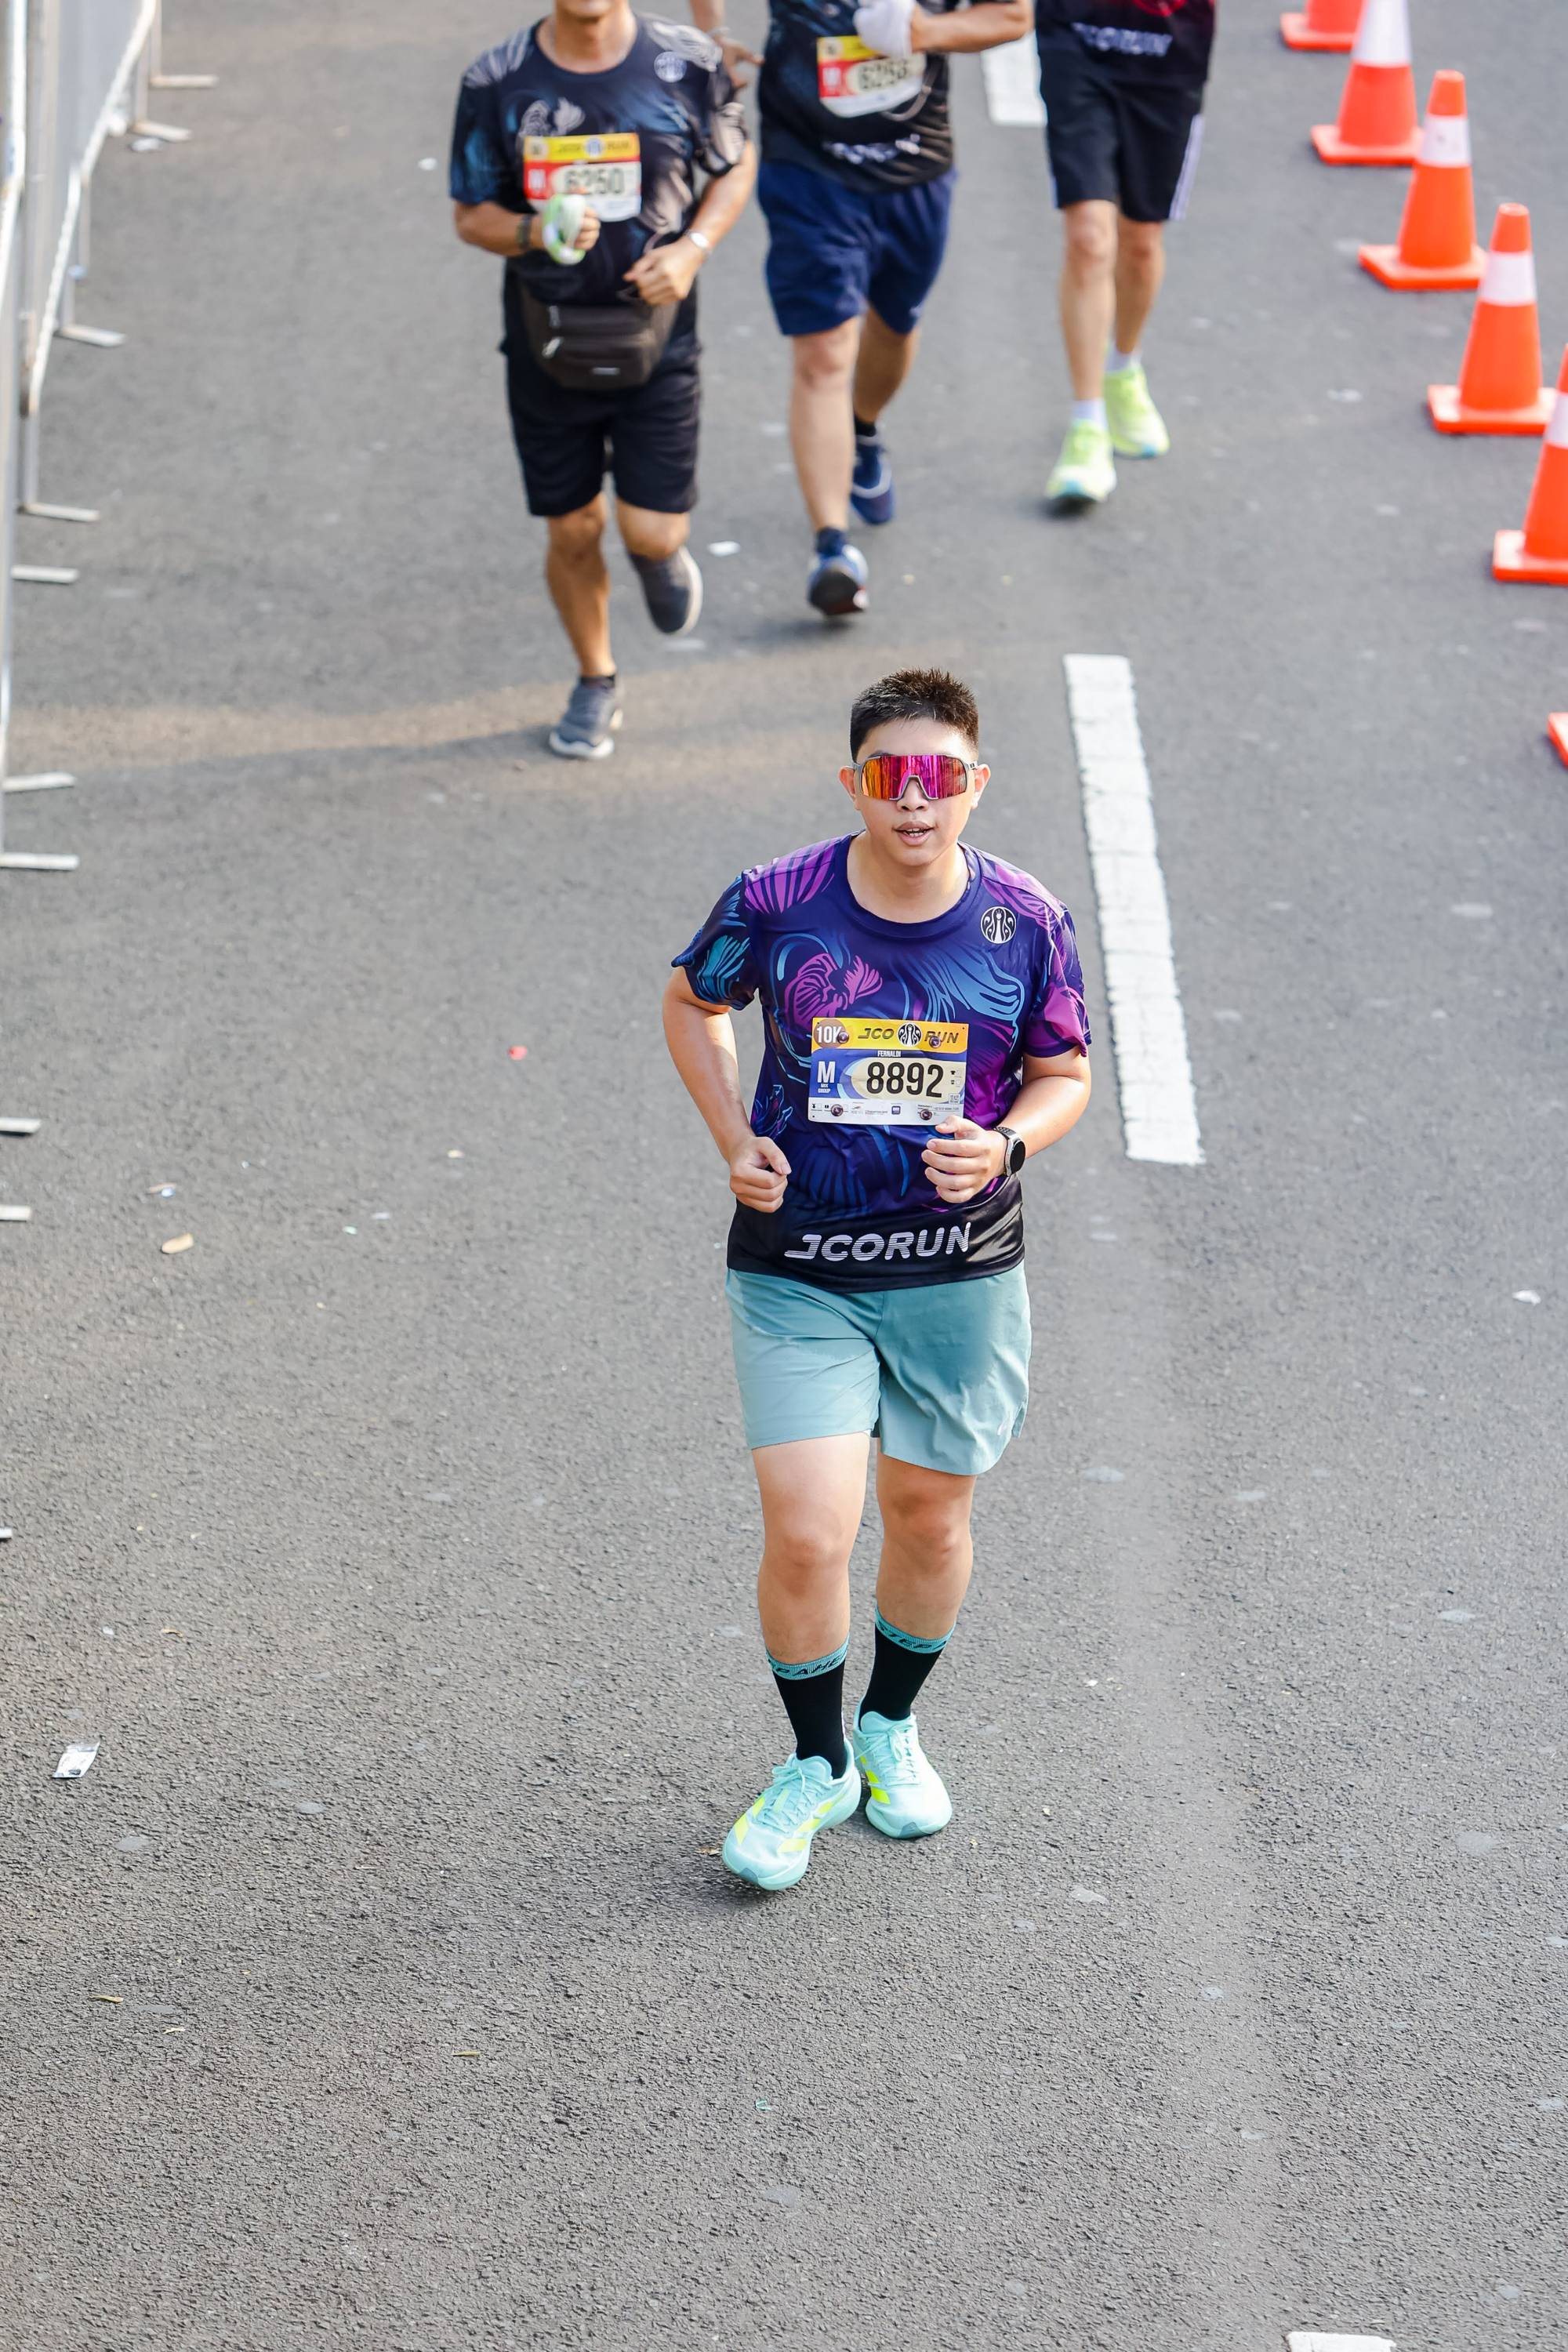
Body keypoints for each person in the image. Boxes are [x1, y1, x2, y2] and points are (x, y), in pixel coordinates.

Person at [663, 667, 1092, 1891]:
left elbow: (1064, 1073)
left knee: (929, 1517)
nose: (915, 800)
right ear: (854, 783)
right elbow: (692, 1001)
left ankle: (891, 1725)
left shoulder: (1025, 919)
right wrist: (733, 1139)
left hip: (957, 1273)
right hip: (800, 1268)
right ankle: (816, 1762)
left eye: (939, 777)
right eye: (890, 777)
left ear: (976, 785)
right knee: (809, 1532)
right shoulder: (778, 901)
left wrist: (1008, 1145)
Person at [451, 0, 755, 758]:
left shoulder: (688, 64)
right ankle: (596, 678)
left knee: (651, 528)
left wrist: (692, 249)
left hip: (659, 341)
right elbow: (470, 214)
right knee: (574, 527)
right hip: (547, 341)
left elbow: (735, 163)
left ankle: (658, 554)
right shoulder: (497, 80)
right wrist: (534, 229)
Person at [689, 0, 1031, 618]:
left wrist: (924, 31)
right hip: (808, 165)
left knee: (894, 327)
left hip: (916, 169)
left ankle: (862, 428)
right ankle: (833, 548)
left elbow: (1012, 16)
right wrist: (713, 33)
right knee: (823, 353)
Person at [1035, 0, 1216, 513]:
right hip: (1077, 38)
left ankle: (1123, 368)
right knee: (1089, 238)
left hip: (1169, 49)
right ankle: (1087, 424)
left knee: (1141, 240)